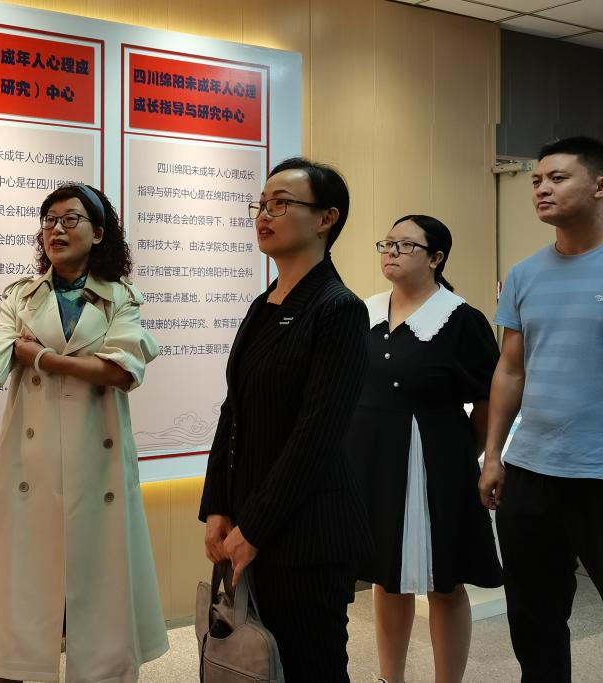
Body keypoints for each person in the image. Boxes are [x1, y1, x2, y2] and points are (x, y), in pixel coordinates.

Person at [0, 184, 169, 683]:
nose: (56, 230)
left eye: (70, 219)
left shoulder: (121, 298)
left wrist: (42, 358)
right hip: (30, 468)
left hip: (99, 471)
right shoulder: (21, 297)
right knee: (15, 619)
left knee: (103, 617)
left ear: (99, 233)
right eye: (49, 220)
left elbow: (120, 371)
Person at [479, 136, 603, 682]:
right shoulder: (524, 273)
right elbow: (510, 369)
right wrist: (493, 454)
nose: (542, 188)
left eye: (558, 178)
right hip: (531, 474)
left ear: (601, 186)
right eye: (537, 180)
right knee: (534, 626)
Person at [199, 157, 373, 682]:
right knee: (257, 666)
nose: (264, 215)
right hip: (249, 520)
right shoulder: (264, 303)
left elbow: (317, 432)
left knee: (309, 667)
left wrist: (255, 526)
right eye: (261, 204)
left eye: (281, 204)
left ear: (326, 218)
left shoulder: (339, 308)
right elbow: (233, 410)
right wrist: (218, 505)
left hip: (307, 532)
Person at [345, 215, 503, 683]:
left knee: (444, 580)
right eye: (387, 244)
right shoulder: (364, 312)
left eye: (405, 245)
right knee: (386, 576)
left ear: (436, 258)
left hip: (438, 462)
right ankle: (389, 678)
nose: (391, 252)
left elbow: (489, 398)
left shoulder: (460, 319)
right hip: (371, 459)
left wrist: (466, 454)